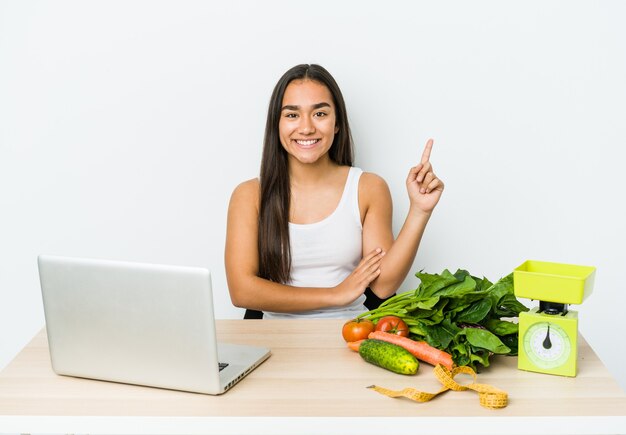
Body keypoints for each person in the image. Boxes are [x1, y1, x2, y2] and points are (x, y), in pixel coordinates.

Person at [225, 64, 443, 319]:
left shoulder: (368, 188)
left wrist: (419, 211)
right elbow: (241, 291)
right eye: (292, 115)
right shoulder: (249, 195)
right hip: (275, 340)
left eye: (320, 114)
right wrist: (334, 294)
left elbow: (383, 285)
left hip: (351, 335)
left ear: (337, 123)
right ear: (277, 125)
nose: (306, 128)